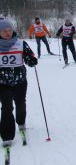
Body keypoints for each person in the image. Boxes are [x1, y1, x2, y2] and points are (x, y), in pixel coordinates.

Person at [0, 19, 38, 147]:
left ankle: (21, 122)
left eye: (9, 30)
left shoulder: (20, 43)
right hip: (2, 82)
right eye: (4, 31)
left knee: (20, 104)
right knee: (6, 108)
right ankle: (6, 135)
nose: (7, 33)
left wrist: (31, 59)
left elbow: (29, 55)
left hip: (19, 80)